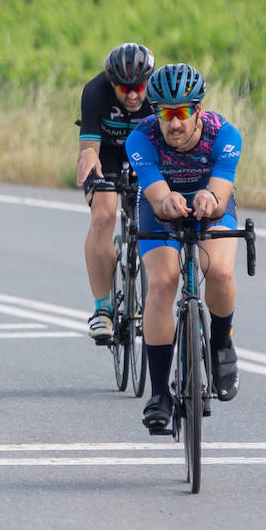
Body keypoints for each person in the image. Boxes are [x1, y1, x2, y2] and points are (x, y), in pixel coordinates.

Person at [124, 63, 244, 434]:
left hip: (210, 205)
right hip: (162, 210)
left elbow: (222, 194)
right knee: (162, 282)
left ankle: (222, 344)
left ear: (198, 109)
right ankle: (159, 393)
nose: (173, 123)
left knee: (221, 272)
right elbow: (156, 195)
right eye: (164, 114)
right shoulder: (140, 139)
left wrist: (210, 196)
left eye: (182, 113)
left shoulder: (225, 135)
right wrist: (166, 200)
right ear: (155, 113)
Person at [75, 42, 155, 343]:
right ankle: (103, 310)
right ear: (112, 83)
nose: (133, 95)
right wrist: (89, 159)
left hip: (145, 157)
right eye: (124, 88)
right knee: (104, 215)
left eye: (138, 87)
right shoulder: (95, 91)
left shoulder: (157, 95)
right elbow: (90, 149)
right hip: (105, 156)